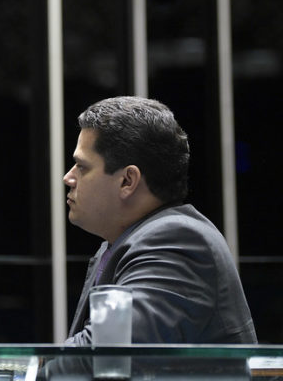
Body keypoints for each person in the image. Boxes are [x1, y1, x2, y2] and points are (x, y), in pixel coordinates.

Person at [64, 96, 256, 344]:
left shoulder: (177, 240)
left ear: (127, 181)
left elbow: (107, 349)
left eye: (82, 166)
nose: (68, 178)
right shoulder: (127, 242)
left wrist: (35, 365)